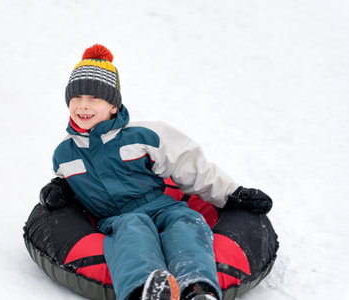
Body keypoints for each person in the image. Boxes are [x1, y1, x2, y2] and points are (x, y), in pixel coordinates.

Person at [39, 44, 272, 300]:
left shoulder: (143, 136)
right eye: (77, 98)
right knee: (133, 227)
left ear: (114, 106)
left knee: (186, 221)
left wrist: (233, 194)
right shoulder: (64, 152)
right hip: (117, 217)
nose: (84, 106)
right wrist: (58, 189)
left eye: (94, 98)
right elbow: (69, 181)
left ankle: (196, 288)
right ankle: (145, 290)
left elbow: (190, 167)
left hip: (162, 206)